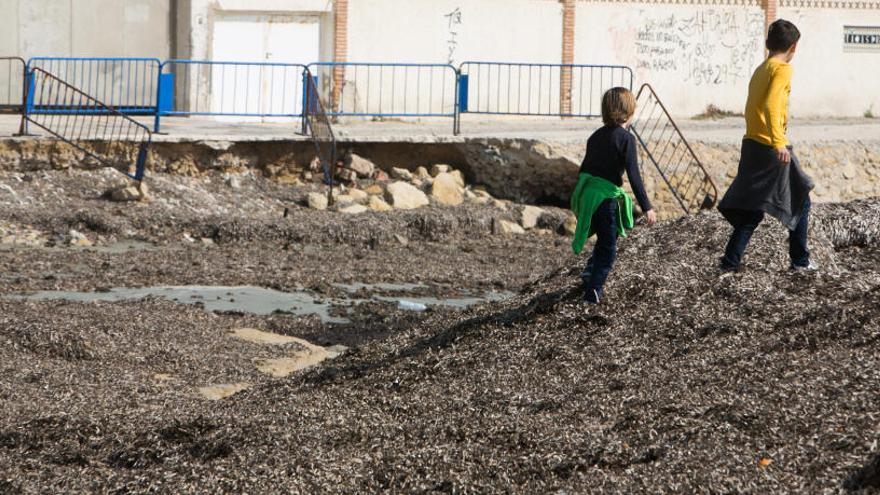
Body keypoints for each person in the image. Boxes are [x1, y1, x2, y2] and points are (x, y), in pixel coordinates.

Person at [718, 19, 815, 272]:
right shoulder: (782, 69)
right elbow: (771, 106)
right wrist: (778, 142)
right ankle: (800, 261)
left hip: (752, 144)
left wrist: (759, 136)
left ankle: (729, 263)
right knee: (801, 199)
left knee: (752, 211)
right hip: (772, 147)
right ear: (793, 47)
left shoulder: (762, 68)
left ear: (767, 43)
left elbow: (751, 108)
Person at [571, 87, 656, 304]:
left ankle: (590, 272)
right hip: (606, 198)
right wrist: (647, 206)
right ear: (629, 112)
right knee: (609, 249)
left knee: (606, 235)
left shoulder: (595, 136)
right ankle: (593, 293)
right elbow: (634, 176)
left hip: (589, 195)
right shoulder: (626, 139)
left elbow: (585, 168)